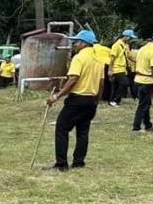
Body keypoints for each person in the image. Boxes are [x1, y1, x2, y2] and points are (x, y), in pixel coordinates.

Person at [47, 29, 102, 171]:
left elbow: (73, 79)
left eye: (76, 42)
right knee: (83, 131)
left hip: (77, 99)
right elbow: (101, 83)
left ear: (84, 43)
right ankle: (79, 162)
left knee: (61, 128)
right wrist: (97, 100)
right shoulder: (98, 59)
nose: (74, 44)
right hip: (91, 100)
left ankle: (61, 164)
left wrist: (57, 96)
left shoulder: (79, 58)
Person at [108, 29, 135, 107]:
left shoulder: (126, 45)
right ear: (126, 36)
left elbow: (129, 56)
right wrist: (110, 70)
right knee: (125, 83)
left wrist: (138, 60)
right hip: (117, 68)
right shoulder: (116, 45)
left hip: (123, 69)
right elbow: (112, 58)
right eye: (130, 38)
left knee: (116, 86)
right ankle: (114, 100)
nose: (131, 39)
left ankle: (114, 101)